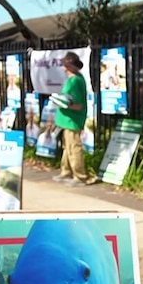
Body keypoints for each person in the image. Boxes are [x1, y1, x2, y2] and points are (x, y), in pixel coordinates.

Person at [52, 51, 92, 186]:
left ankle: (80, 176)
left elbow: (77, 105)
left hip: (72, 120)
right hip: (67, 119)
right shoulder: (73, 80)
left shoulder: (75, 81)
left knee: (74, 147)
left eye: (65, 65)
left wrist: (63, 104)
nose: (63, 68)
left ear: (69, 67)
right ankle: (66, 171)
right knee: (67, 147)